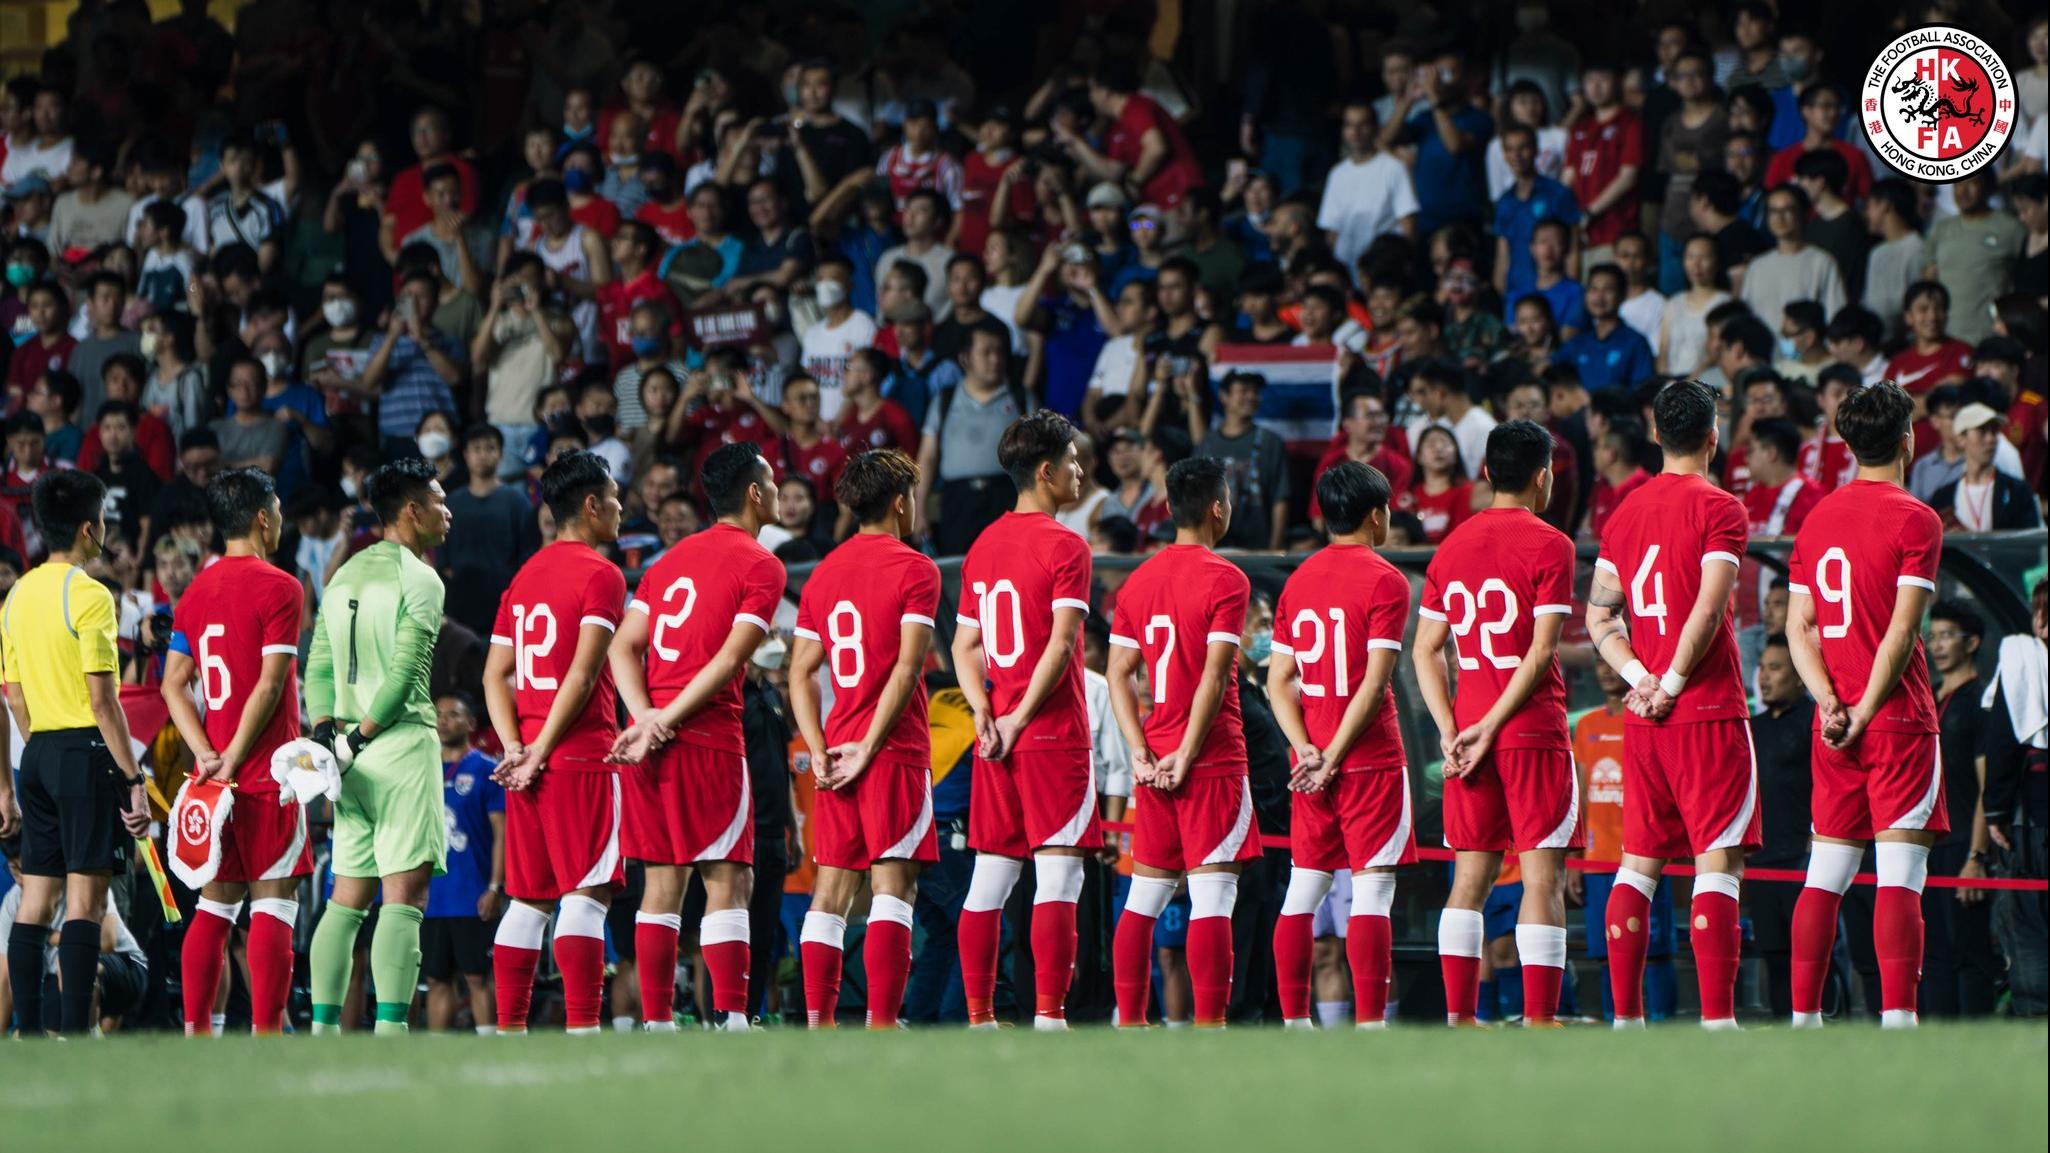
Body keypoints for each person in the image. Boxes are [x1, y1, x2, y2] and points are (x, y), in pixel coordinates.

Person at [1586, 379, 1758, 1028]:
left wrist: (1640, 679)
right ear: (1714, 436)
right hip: (1705, 707)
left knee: (1639, 864)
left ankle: (1625, 1022)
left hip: (1645, 716)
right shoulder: (1721, 507)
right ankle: (1718, 1022)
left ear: (1655, 435)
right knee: (1718, 861)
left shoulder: (1622, 513)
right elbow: (1710, 608)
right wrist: (1674, 681)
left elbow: (1600, 614)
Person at [1780, 380, 1945, 1029]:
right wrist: (1869, 709)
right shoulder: (1916, 518)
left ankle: (1803, 1019)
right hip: (1895, 719)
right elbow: (1902, 634)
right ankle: (1898, 1021)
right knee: (1900, 874)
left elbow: (1799, 629)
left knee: (1826, 873)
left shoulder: (1817, 518)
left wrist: (1830, 703)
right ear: (1907, 439)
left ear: (1847, 444)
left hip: (1835, 721)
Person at [608, 443, 787, 1031]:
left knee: (661, 886)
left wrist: (644, 717)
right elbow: (731, 657)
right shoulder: (762, 564)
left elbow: (622, 646)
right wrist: (668, 718)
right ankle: (732, 1020)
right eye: (772, 480)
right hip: (706, 737)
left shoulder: (667, 561)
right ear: (755, 493)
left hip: (649, 743)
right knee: (730, 878)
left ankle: (658, 1024)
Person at [1411, 421, 1577, 1026]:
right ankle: (1539, 1018)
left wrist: (1452, 728)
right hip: (1531, 730)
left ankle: (1459, 1019)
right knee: (1542, 877)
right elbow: (1540, 653)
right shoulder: (1551, 543)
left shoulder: (1451, 545)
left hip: (1469, 734)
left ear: (1485, 473)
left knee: (1469, 879)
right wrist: (1490, 725)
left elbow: (1424, 649)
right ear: (1542, 476)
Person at [949, 412, 1100, 1029]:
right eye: (1072, 461)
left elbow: (963, 648)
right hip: (1051, 735)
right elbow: (1062, 645)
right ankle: (1049, 1016)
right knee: (1059, 875)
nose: (1080, 471)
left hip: (998, 736)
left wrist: (987, 714)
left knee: (991, 878)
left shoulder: (984, 543)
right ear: (1046, 471)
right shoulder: (1066, 545)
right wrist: (1016, 721)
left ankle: (981, 1017)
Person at [788, 450, 941, 1029]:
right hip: (890, 750)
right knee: (892, 887)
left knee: (829, 892)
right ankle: (881, 1024)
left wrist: (821, 746)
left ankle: (818, 1022)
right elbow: (907, 670)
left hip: (838, 750)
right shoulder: (915, 568)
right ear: (900, 502)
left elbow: (800, 671)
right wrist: (872, 747)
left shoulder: (823, 572)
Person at [302, 458, 452, 1035]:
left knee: (345, 900)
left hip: (345, 756)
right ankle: (391, 1036)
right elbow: (407, 673)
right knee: (403, 899)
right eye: (439, 501)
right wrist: (361, 736)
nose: (448, 512)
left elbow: (318, 662)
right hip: (396, 746)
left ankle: (321, 1031)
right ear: (411, 512)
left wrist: (327, 736)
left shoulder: (343, 575)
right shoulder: (422, 579)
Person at [1105, 455, 1255, 1028]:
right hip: (1208, 759)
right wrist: (1187, 755)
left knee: (1145, 898)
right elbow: (1216, 678)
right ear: (1218, 508)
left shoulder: (1138, 580)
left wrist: (1139, 750)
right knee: (1213, 900)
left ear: (1169, 509)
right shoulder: (1227, 578)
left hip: (1156, 757)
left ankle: (1131, 1021)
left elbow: (1120, 671)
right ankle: (1210, 1026)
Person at [1, 470, 152, 1036]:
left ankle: (31, 1032)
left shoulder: (16, 595)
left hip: (37, 753)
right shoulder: (89, 594)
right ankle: (72, 1035)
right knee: (85, 901)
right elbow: (103, 700)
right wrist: (132, 777)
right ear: (91, 528)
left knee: (35, 898)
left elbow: (13, 694)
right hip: (84, 754)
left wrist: (40, 745)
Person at [480, 451, 626, 1035]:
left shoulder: (525, 578)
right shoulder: (602, 574)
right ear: (590, 506)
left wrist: (516, 746)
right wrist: (539, 751)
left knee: (529, 902)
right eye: (613, 499)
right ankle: (584, 1031)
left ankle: (509, 1033)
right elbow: (584, 676)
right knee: (585, 898)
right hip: (581, 757)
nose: (620, 508)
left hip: (527, 765)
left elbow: (494, 675)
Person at [158, 468, 307, 1035]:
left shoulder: (196, 591)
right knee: (273, 906)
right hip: (268, 773)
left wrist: (207, 755)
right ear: (264, 517)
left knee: (215, 908)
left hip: (212, 780)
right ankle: (268, 1034)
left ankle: (201, 1033)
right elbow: (271, 686)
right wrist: (237, 755)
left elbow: (174, 683)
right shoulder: (281, 586)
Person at [1267, 462, 1414, 1029]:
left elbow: (1280, 680)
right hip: (1369, 759)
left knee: (1304, 889)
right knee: (1373, 895)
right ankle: (1372, 1026)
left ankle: (1296, 1023)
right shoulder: (1386, 579)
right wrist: (1334, 754)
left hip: (1310, 764)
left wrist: (1306, 748)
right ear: (1377, 515)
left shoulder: (1298, 580)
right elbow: (1375, 684)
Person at [1924, 600, 2000, 1018]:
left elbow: (1987, 788)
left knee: (1969, 955)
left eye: (1946, 635)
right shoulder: (1930, 696)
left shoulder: (1979, 701)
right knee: (1933, 954)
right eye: (1932, 635)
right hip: (1926, 842)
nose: (1936, 645)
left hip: (1961, 845)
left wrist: (1976, 857)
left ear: (1972, 642)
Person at [424, 692, 504, 1034]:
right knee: (436, 978)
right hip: (430, 897)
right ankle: (437, 1053)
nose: (444, 720)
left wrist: (495, 887)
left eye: (453, 714)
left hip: (473, 893)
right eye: (439, 714)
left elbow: (502, 833)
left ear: (471, 723)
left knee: (477, 977)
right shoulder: (422, 769)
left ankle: (489, 1046)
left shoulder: (486, 769)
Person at [1318, 100, 1418, 278]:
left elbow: (1408, 225)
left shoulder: (1394, 168)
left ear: (1375, 128)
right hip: (1346, 269)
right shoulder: (1337, 174)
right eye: (1349, 125)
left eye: (1362, 125)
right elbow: (1332, 231)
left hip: (1383, 268)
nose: (1355, 132)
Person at [1194, 372, 1290, 551]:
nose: (1252, 397)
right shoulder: (1206, 444)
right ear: (1224, 397)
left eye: (1255, 392)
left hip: (1258, 548)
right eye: (1244, 391)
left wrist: (1275, 547)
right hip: (1213, 547)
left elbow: (1280, 498)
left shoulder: (1270, 442)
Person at [1564, 60, 1643, 267]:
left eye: (1603, 79)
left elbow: (1628, 177)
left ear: (1617, 82)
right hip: (1579, 234)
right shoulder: (1581, 126)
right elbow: (1569, 175)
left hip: (1614, 231)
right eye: (1590, 80)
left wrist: (1589, 212)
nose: (1596, 86)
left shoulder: (1629, 122)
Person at [1930, 403, 2041, 531]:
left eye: (1994, 431)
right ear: (1961, 439)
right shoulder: (1942, 497)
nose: (1990, 438)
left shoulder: (2018, 492)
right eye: (1982, 430)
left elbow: (2029, 545)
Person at [1555, 263, 1654, 392]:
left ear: (1622, 295)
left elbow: (1643, 391)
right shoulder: (1579, 343)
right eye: (1594, 289)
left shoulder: (1635, 343)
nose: (1599, 297)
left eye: (1608, 290)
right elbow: (1551, 365)